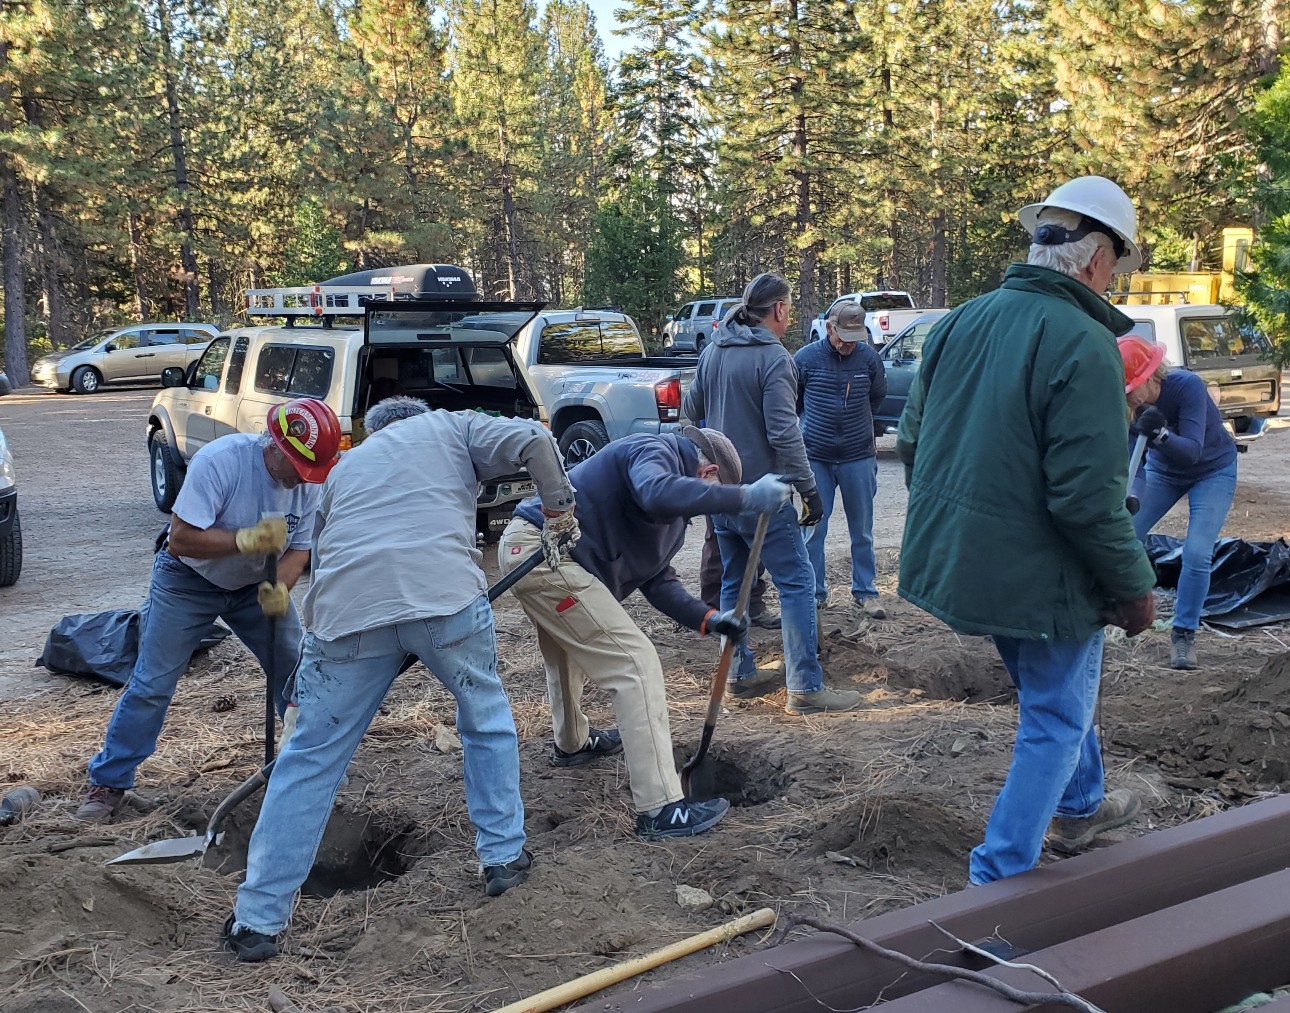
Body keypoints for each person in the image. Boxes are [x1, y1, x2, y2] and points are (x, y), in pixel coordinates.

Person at [223, 396, 576, 962]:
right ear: (419, 419)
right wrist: (559, 512)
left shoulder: (345, 468)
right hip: (442, 598)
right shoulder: (450, 427)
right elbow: (536, 441)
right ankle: (503, 858)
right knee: (484, 718)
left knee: (310, 756)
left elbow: (326, 549)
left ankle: (257, 920)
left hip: (345, 614)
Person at [896, 176, 1158, 885]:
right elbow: (1086, 500)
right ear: (1099, 260)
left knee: (1064, 692)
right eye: (1118, 267)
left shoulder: (960, 320)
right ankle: (997, 874)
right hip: (1039, 575)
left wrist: (967, 523)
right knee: (1054, 717)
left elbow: (914, 443)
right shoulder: (1084, 343)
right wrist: (1135, 585)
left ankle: (1083, 804)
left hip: (969, 564)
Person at [499, 427, 792, 839]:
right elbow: (657, 491)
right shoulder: (652, 451)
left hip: (542, 556)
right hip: (544, 553)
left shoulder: (672, 519)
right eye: (712, 490)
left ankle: (572, 743)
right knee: (635, 664)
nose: (707, 507)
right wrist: (744, 497)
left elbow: (658, 580)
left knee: (566, 653)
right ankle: (661, 809)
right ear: (706, 471)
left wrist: (709, 619)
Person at [76, 398, 340, 823]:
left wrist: (281, 587)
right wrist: (246, 540)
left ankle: (301, 769)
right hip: (188, 581)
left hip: (252, 584)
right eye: (298, 467)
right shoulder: (221, 462)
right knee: (153, 683)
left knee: (296, 669)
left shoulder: (307, 484)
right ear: (276, 444)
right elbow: (180, 539)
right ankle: (109, 782)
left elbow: (299, 547)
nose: (301, 479)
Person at [683, 272, 862, 715]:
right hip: (764, 497)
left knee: (732, 582)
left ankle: (740, 675)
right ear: (779, 309)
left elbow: (691, 416)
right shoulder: (775, 359)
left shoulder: (714, 352)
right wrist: (808, 489)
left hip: (722, 496)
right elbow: (784, 433)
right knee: (797, 584)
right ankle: (805, 687)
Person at [1119, 335, 1237, 670]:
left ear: (1151, 377)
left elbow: (1192, 452)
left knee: (1198, 552)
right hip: (1164, 473)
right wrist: (1132, 498)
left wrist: (1160, 434)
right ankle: (1120, 609)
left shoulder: (1187, 386)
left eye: (1131, 388)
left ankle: (1183, 634)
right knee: (1125, 534)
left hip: (1212, 469)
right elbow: (1135, 464)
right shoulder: (1131, 409)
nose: (1127, 396)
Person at [795, 300, 888, 617]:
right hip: (816, 458)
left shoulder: (869, 359)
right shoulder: (805, 359)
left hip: (858, 457)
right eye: (843, 335)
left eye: (855, 336)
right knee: (813, 530)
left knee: (862, 530)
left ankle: (865, 591)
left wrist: (854, 428)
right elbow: (794, 403)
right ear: (829, 327)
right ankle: (815, 593)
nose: (848, 343)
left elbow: (876, 397)